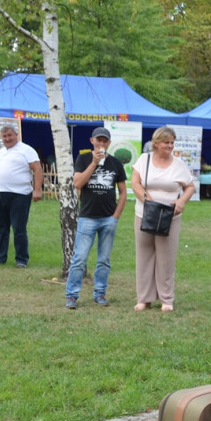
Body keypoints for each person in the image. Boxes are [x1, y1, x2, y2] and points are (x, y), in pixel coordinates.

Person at [130, 127, 195, 312]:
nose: (170, 146)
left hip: (169, 217)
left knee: (166, 257)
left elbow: (190, 186)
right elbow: (134, 182)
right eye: (167, 142)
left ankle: (166, 299)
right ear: (156, 143)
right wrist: (144, 197)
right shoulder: (144, 160)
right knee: (144, 256)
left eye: (172, 143)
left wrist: (181, 201)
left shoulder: (178, 164)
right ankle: (144, 299)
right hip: (144, 214)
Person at [65, 127, 128, 309]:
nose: (101, 144)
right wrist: (93, 163)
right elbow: (77, 183)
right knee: (79, 258)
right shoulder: (83, 159)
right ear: (92, 141)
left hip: (108, 218)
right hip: (87, 217)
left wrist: (115, 216)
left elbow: (123, 192)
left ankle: (100, 293)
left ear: (109, 143)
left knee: (104, 260)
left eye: (105, 141)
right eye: (98, 140)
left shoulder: (116, 163)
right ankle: (71, 295)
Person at [0, 124, 43, 268]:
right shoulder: (0, 153)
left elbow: (37, 169)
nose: (7, 138)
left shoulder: (26, 150)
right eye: (4, 136)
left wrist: (37, 190)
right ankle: (0, 258)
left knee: (19, 229)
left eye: (10, 135)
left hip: (20, 194)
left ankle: (21, 260)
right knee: (1, 228)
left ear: (16, 135)